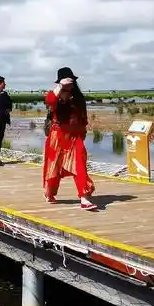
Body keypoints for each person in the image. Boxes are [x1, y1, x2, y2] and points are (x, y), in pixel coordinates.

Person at [43, 67, 96, 210]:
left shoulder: (78, 98)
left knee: (79, 164)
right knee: (54, 167)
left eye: (71, 82)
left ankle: (84, 198)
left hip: (74, 136)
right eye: (67, 83)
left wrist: (83, 131)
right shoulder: (55, 96)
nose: (70, 85)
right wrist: (60, 87)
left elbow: (83, 117)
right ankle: (49, 192)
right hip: (57, 136)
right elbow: (49, 101)